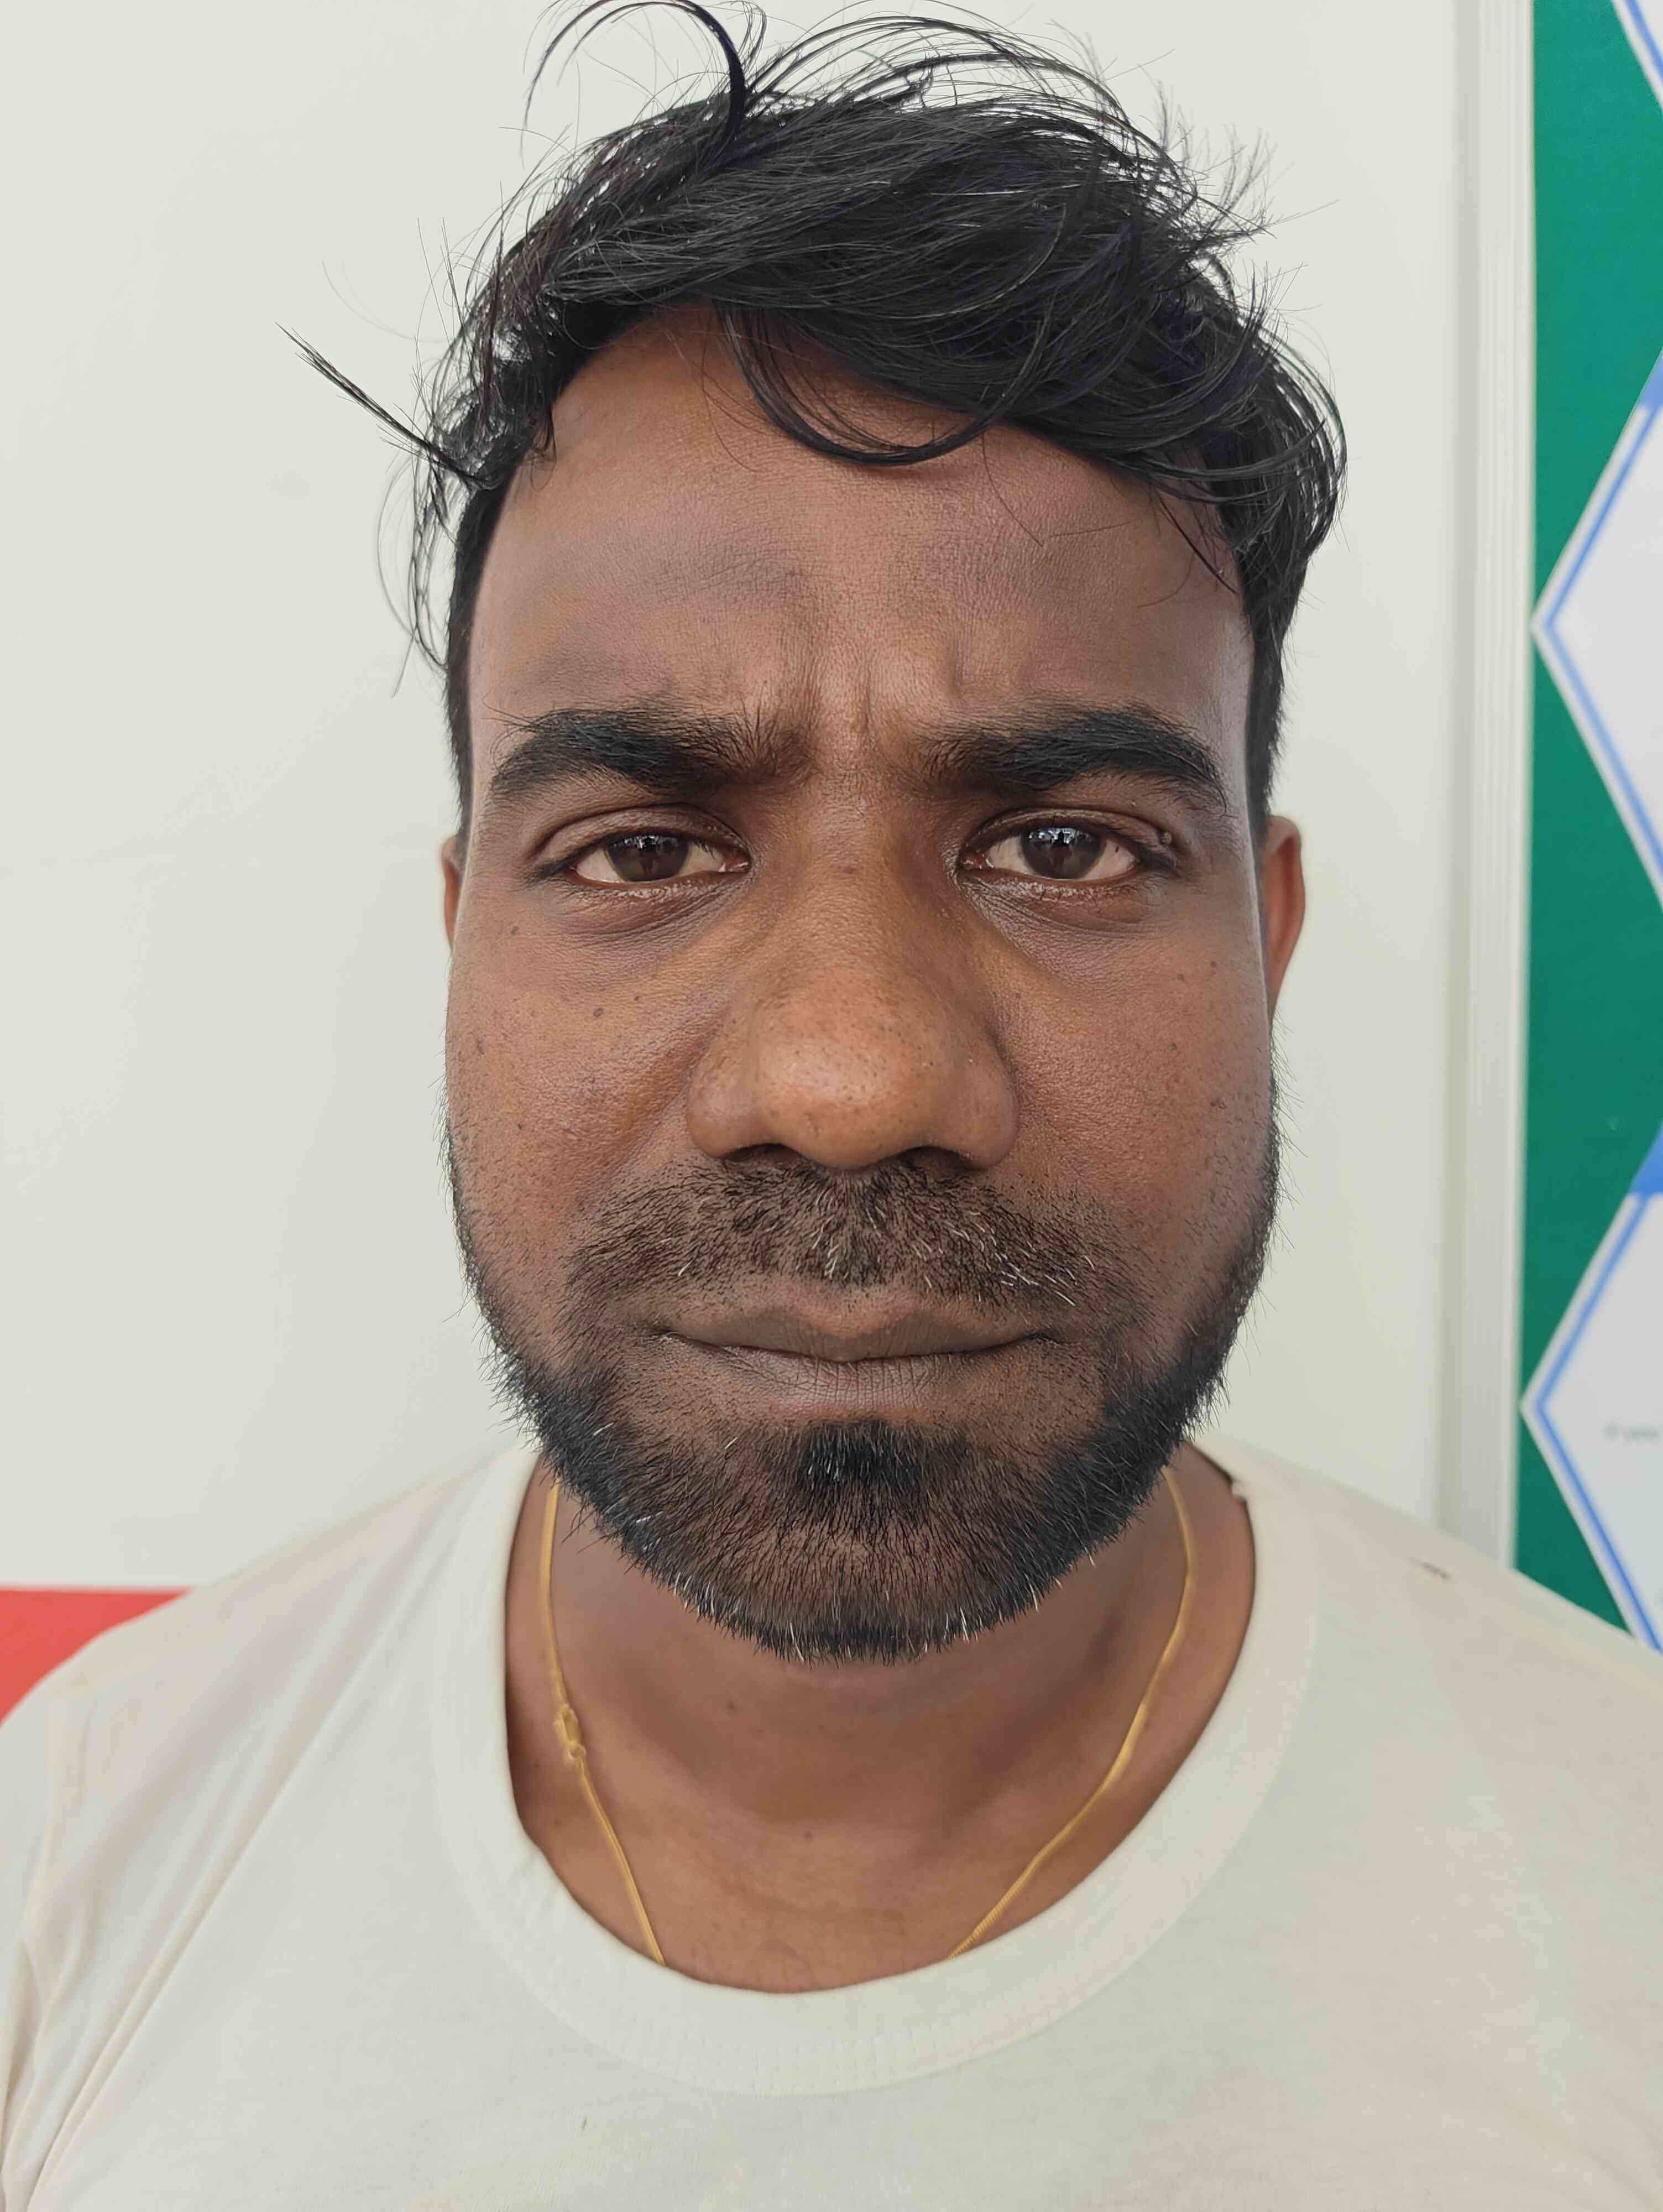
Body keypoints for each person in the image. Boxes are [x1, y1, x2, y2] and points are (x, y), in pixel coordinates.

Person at [3, 5, 1659, 2204]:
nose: (853, 1079)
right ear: (464, 936)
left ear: (1264, 939)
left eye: (1061, 845)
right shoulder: (78, 1857)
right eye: (642, 850)